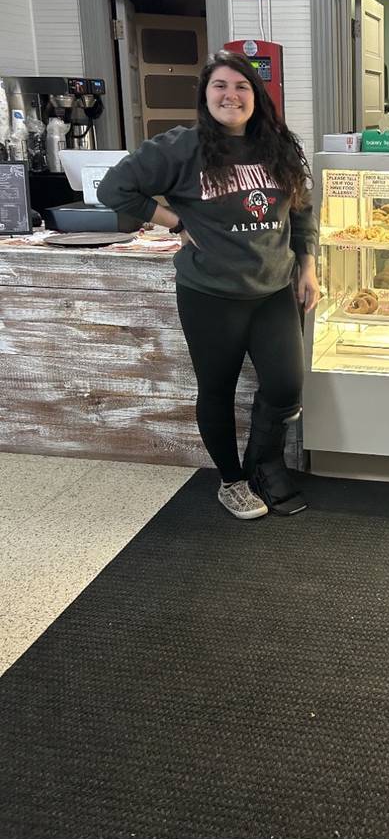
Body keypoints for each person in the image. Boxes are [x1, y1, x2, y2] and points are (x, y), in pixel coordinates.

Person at [97, 50, 320, 520]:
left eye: (241, 87)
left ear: (256, 96)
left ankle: (265, 466)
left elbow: (300, 209)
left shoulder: (277, 145)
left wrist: (308, 266)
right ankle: (232, 480)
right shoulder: (180, 147)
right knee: (216, 390)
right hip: (210, 295)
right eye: (219, 86)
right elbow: (114, 188)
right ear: (205, 95)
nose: (230, 95)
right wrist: (173, 222)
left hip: (273, 291)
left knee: (284, 387)